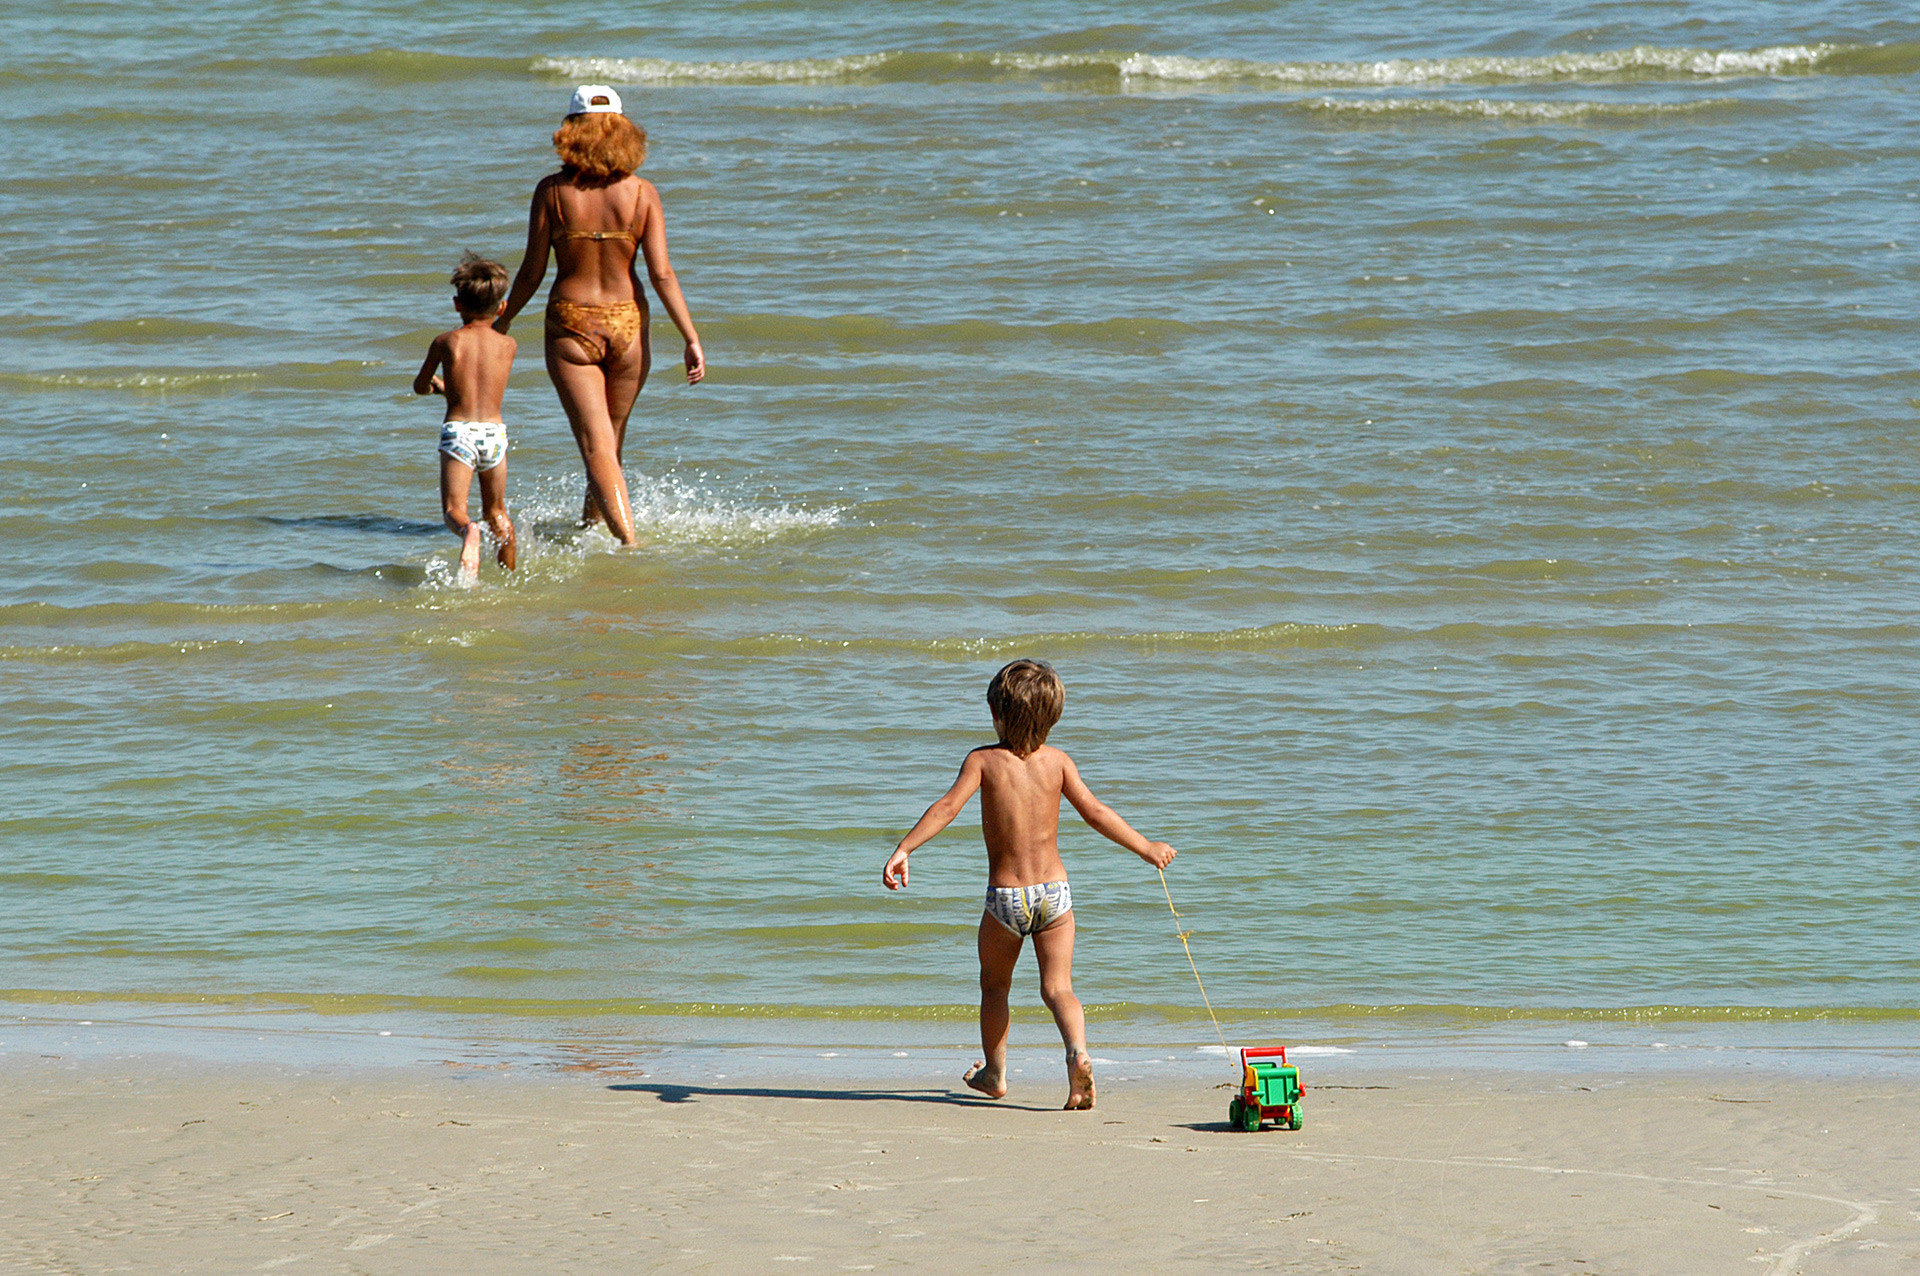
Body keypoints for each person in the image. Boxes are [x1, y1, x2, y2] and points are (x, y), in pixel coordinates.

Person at [881, 659, 1178, 1111]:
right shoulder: (1058, 763)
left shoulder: (982, 761)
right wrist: (1146, 848)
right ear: (1052, 716)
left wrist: (904, 849)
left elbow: (946, 808)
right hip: (1055, 895)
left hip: (1006, 899)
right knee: (1059, 988)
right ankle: (1077, 1056)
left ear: (998, 715)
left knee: (995, 987)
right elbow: (1095, 812)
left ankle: (995, 1074)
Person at [494, 84, 705, 546]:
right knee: (610, 439)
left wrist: (504, 319)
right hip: (629, 322)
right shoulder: (642, 193)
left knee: (595, 445)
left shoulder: (551, 191)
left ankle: (629, 543)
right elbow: (663, 274)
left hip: (572, 322)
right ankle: (592, 531)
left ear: (571, 129)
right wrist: (690, 336)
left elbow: (532, 271)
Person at [414, 253, 517, 577]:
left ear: (457, 304)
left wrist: (437, 387)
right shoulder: (508, 345)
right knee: (497, 513)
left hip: (459, 433)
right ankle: (509, 577)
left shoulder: (446, 342)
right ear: (501, 307)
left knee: (454, 510)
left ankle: (468, 532)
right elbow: (483, 386)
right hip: (494, 434)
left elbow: (420, 385)